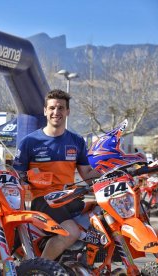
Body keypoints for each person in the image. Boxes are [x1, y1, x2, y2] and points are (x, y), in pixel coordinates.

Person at [13, 89, 100, 261]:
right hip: (44, 201)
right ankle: (37, 271)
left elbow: (87, 174)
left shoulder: (76, 141)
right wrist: (29, 177)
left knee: (103, 218)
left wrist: (114, 170)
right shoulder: (30, 142)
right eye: (52, 108)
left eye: (61, 108)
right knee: (71, 232)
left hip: (70, 198)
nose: (56, 112)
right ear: (45, 111)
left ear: (67, 111)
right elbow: (16, 175)